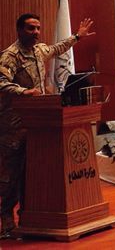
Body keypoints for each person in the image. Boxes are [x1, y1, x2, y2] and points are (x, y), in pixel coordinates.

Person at [0, 13, 95, 238]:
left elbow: (57, 49)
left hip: (37, 123)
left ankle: (28, 218)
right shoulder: (10, 56)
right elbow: (1, 82)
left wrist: (77, 37)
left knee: (32, 174)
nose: (36, 33)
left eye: (38, 28)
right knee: (11, 175)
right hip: (13, 125)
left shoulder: (38, 50)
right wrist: (24, 92)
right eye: (30, 28)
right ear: (19, 30)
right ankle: (6, 223)